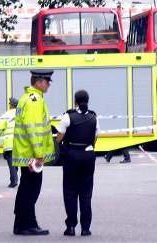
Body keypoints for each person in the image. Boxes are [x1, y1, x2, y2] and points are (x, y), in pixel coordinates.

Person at [12, 70, 56, 236]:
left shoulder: (26, 98)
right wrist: (39, 154)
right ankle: (28, 225)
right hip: (31, 154)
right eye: (47, 81)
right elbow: (33, 130)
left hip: (25, 151)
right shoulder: (34, 101)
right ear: (39, 83)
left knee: (25, 188)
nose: (49, 84)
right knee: (31, 190)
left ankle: (20, 223)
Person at [56, 90, 99, 237]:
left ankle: (71, 227)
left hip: (72, 155)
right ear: (88, 100)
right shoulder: (94, 117)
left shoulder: (68, 116)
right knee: (86, 193)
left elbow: (59, 137)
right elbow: (95, 137)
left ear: (75, 101)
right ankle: (86, 228)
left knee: (70, 192)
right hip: (88, 155)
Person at [0, 98, 18, 188]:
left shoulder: (6, 115)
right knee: (16, 162)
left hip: (9, 143)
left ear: (10, 105)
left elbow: (0, 127)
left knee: (11, 163)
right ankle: (14, 178)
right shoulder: (21, 114)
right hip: (19, 143)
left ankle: (13, 180)